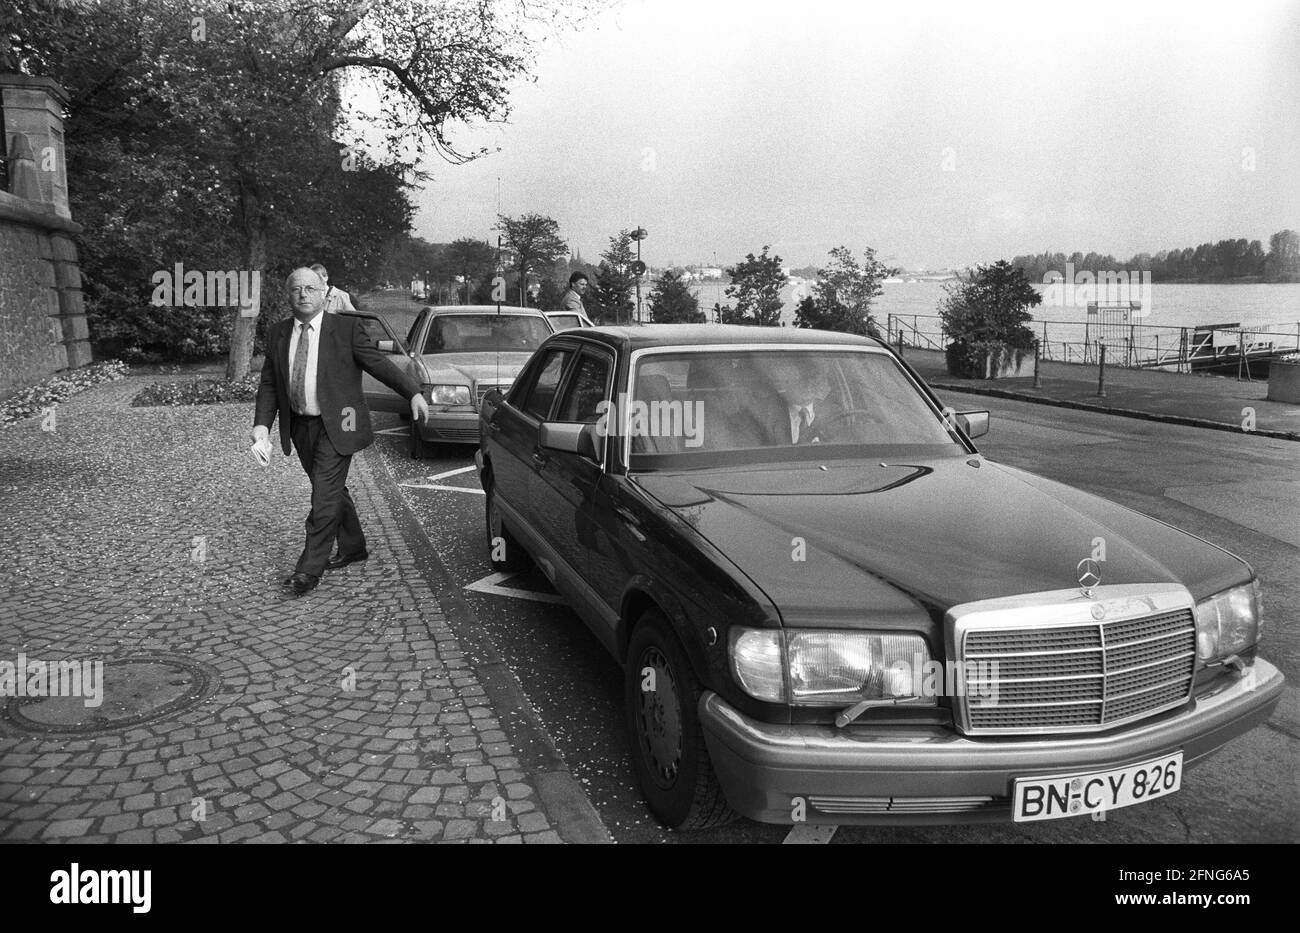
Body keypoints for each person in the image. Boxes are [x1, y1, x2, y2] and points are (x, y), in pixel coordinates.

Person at [252, 268, 430, 595]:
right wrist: (262, 425)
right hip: (300, 425)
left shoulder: (346, 329)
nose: (303, 294)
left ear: (324, 293)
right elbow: (269, 382)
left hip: (340, 422)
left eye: (310, 288)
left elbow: (379, 364)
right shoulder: (278, 333)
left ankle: (308, 570)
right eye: (296, 290)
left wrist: (413, 392)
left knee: (323, 496)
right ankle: (354, 546)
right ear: (288, 295)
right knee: (331, 489)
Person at [759, 356, 844, 445]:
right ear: (787, 382)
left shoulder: (835, 414)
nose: (808, 383)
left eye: (813, 376)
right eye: (802, 377)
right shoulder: (766, 414)